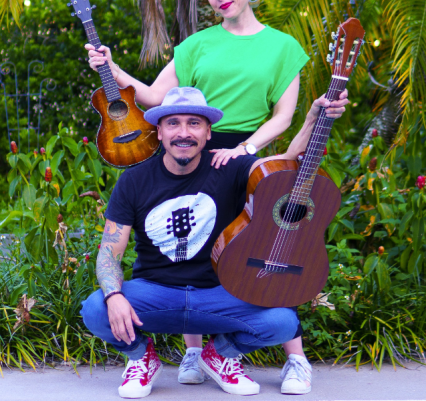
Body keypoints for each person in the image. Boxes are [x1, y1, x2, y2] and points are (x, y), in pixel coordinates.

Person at [85, 0, 312, 389]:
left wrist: (245, 148)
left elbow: (283, 116)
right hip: (192, 141)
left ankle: (295, 357)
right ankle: (194, 353)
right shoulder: (197, 45)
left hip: (249, 153)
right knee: (192, 239)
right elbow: (153, 97)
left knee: (264, 243)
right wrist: (109, 65)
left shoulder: (284, 46)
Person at [81, 87, 349, 398]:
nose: (184, 133)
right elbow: (109, 251)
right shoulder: (134, 180)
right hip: (156, 293)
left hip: (220, 294)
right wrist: (114, 296)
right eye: (173, 123)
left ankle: (219, 355)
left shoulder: (230, 168)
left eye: (194, 123)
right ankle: (142, 358)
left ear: (208, 133)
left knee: (283, 321)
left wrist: (313, 119)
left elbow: (288, 161)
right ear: (159, 131)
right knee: (96, 309)